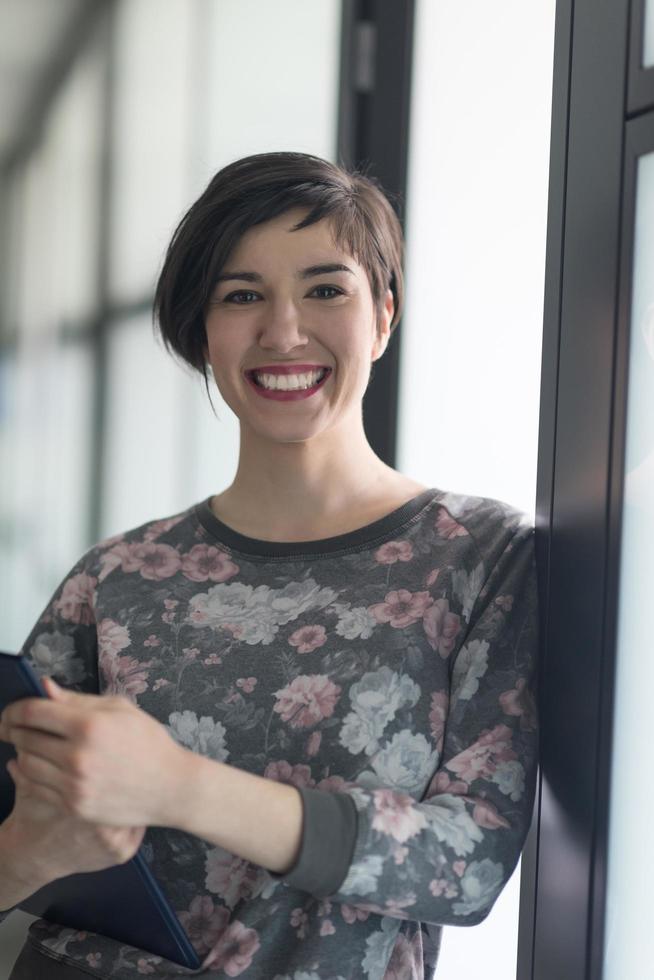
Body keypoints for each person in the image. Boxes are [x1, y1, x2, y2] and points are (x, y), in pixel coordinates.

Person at [0, 151, 539, 980]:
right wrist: (29, 855)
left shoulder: (477, 554)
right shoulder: (115, 576)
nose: (283, 331)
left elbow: (466, 862)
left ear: (384, 315)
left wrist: (180, 787)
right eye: (241, 295)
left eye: (326, 289)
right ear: (202, 332)